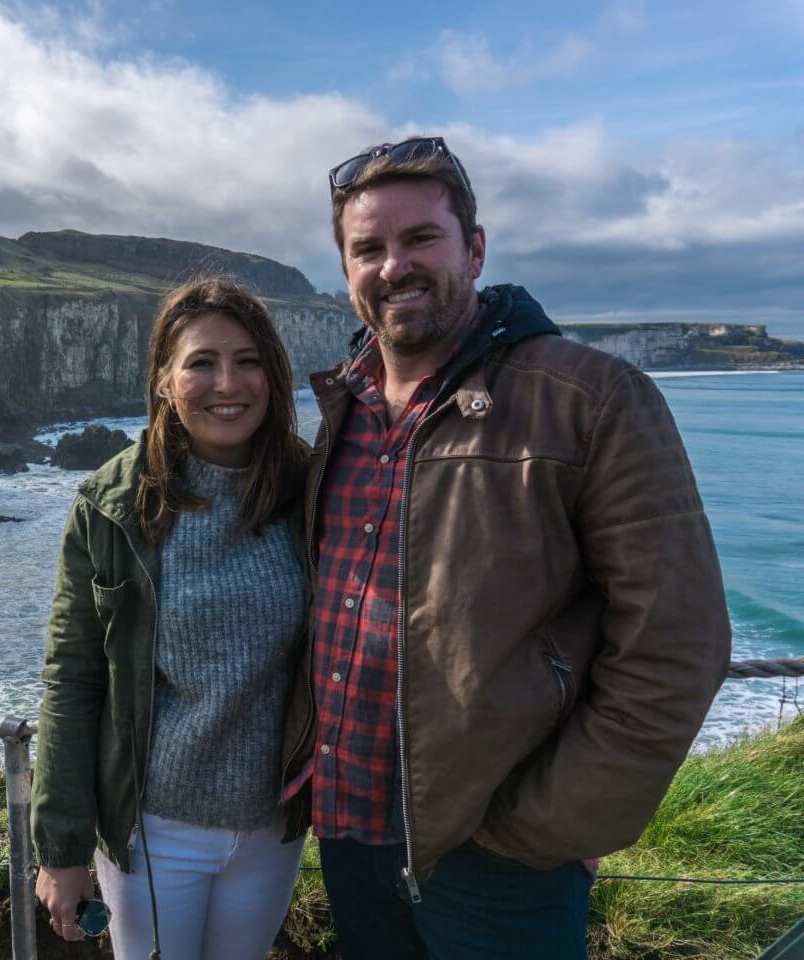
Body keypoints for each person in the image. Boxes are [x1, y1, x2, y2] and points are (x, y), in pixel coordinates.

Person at [282, 136, 732, 958]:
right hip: (349, 832)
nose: (394, 267)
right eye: (368, 249)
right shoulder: (343, 409)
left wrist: (551, 824)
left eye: (421, 239)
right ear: (345, 270)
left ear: (475, 249)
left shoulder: (591, 399)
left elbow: (678, 644)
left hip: (497, 857)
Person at [32, 277, 314, 959]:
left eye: (249, 361)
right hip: (153, 831)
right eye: (201, 362)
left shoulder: (311, 490)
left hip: (273, 828)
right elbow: (73, 678)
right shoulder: (110, 508)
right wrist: (63, 848)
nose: (229, 382)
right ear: (163, 379)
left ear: (273, 376)